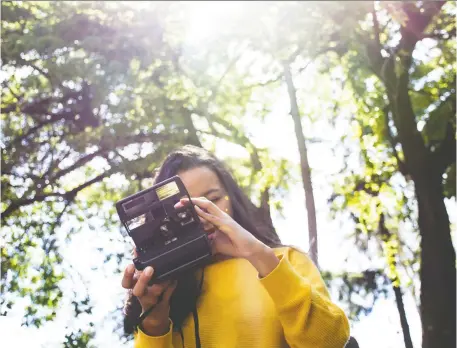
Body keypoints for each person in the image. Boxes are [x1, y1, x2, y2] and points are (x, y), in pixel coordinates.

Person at [121, 145, 350, 348]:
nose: (202, 214)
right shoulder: (164, 289)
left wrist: (260, 256)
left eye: (213, 199)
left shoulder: (284, 260)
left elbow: (331, 342)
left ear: (232, 198)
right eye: (184, 209)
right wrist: (153, 320)